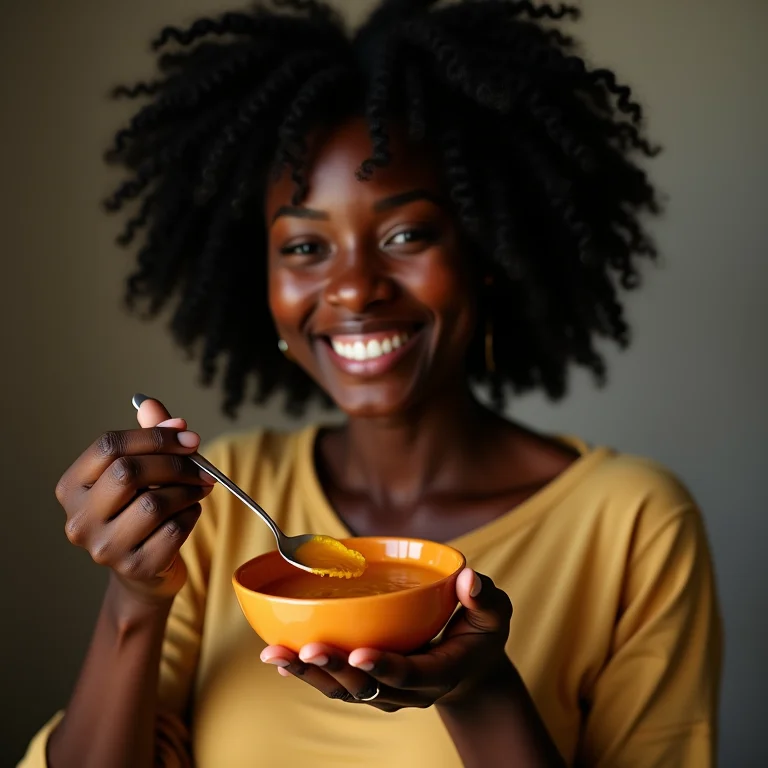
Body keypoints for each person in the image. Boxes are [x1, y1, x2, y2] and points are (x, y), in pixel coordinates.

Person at [21, 1, 722, 766]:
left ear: (486, 251)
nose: (353, 289)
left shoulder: (633, 525)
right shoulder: (221, 499)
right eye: (305, 245)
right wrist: (136, 595)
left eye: (406, 235)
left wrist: (478, 688)